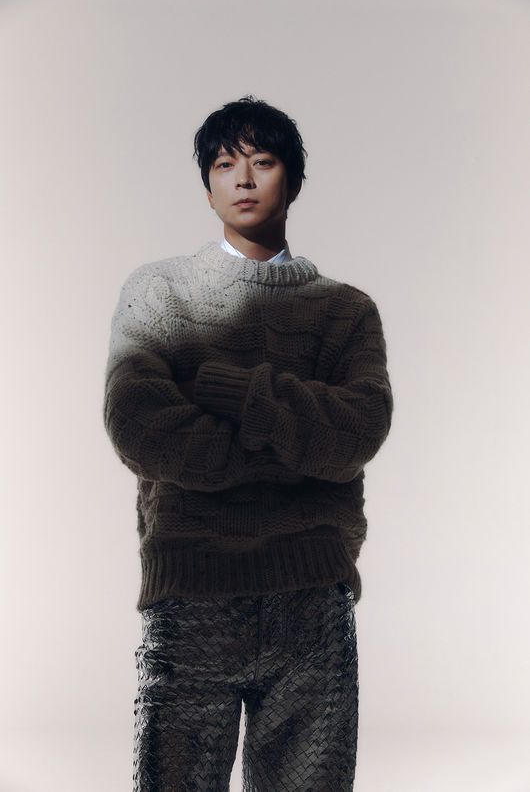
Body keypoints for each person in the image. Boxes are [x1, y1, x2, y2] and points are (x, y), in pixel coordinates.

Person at [102, 94, 394, 791]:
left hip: (312, 604)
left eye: (262, 162)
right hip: (191, 596)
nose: (243, 178)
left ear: (293, 180)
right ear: (207, 186)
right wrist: (298, 453)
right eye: (225, 164)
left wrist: (231, 391)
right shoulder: (160, 294)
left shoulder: (345, 311)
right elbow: (138, 424)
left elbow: (360, 429)